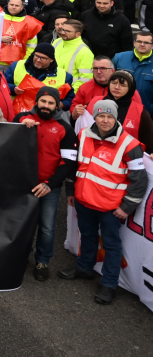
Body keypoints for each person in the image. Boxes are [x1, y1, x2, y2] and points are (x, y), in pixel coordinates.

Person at [61, 99, 148, 305]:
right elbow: (76, 166)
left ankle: (109, 284)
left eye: (110, 116)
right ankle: (84, 268)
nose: (105, 120)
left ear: (116, 118)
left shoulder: (130, 144)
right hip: (84, 201)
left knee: (111, 245)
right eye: (101, 115)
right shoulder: (83, 135)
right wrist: (71, 190)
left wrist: (126, 207)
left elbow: (139, 180)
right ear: (95, 116)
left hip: (111, 207)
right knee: (88, 236)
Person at [52, 19, 95, 87]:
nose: (63, 33)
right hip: (51, 87)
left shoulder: (84, 52)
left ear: (78, 34)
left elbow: (85, 79)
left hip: (69, 93)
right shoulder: (57, 42)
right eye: (63, 30)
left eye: (67, 31)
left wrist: (70, 93)